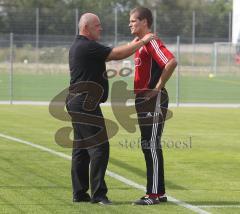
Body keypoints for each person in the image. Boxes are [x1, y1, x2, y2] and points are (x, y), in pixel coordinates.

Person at [66, 12, 154, 205]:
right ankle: (98, 195)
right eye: (97, 25)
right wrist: (143, 41)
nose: (101, 28)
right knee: (100, 147)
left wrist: (134, 43)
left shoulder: (81, 46)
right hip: (84, 104)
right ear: (86, 28)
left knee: (81, 148)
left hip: (77, 102)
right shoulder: (87, 46)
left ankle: (80, 193)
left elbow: (114, 54)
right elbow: (118, 54)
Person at [129, 7, 177, 205]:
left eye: (133, 21)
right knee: (147, 145)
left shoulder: (152, 41)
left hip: (153, 99)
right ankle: (158, 191)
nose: (130, 24)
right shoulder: (140, 43)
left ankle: (154, 195)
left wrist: (157, 87)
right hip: (142, 99)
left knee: (151, 144)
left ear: (145, 22)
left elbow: (171, 62)